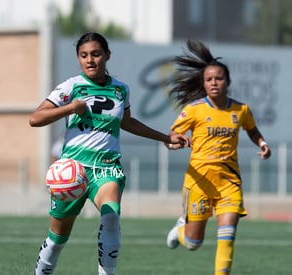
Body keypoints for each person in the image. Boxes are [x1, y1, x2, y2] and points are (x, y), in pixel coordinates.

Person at [29, 32, 190, 275]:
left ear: (107, 55)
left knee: (111, 216)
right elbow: (35, 118)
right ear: (79, 59)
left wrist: (165, 138)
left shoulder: (120, 90)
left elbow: (128, 122)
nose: (90, 60)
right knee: (57, 239)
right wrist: (70, 107)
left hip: (106, 167)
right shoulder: (71, 87)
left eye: (95, 54)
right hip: (73, 170)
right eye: (84, 56)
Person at [165, 39, 271, 275]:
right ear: (204, 83)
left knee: (228, 236)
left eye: (219, 78)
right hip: (199, 182)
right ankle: (181, 229)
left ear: (228, 81)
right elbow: (173, 135)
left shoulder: (240, 110)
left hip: (229, 183)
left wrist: (262, 143)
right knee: (193, 243)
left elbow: (252, 130)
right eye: (209, 79)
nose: (214, 83)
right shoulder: (194, 110)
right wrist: (175, 143)